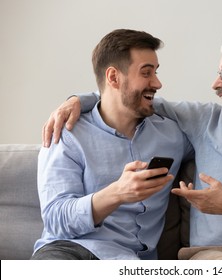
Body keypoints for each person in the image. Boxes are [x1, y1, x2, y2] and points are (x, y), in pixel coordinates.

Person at [42, 32, 222, 260]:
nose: (216, 84)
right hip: (213, 258)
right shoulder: (203, 121)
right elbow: (126, 97)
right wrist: (77, 100)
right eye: (219, 73)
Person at [31, 29, 193, 260]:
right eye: (146, 73)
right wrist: (117, 193)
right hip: (69, 252)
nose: (157, 83)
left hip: (130, 262)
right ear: (114, 77)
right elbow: (56, 220)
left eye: (155, 72)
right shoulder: (67, 132)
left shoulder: (173, 135)